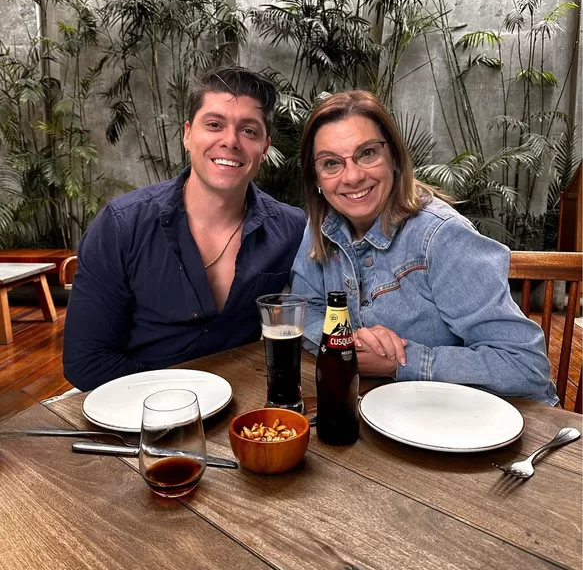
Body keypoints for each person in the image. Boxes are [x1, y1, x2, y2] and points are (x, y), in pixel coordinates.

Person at [290, 90, 557, 405]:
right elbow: (303, 311)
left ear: (394, 158)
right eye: (331, 163)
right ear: (317, 178)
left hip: (491, 422)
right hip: (387, 412)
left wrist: (400, 362)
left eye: (367, 153)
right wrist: (348, 342)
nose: (352, 176)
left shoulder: (442, 236)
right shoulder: (323, 224)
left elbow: (525, 366)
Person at [63, 65, 306, 391]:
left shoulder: (290, 229)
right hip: (129, 403)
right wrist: (185, 398)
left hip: (240, 400)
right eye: (215, 125)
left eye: (249, 131)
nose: (230, 141)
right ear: (188, 134)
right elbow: (86, 362)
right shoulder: (122, 225)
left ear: (264, 148)